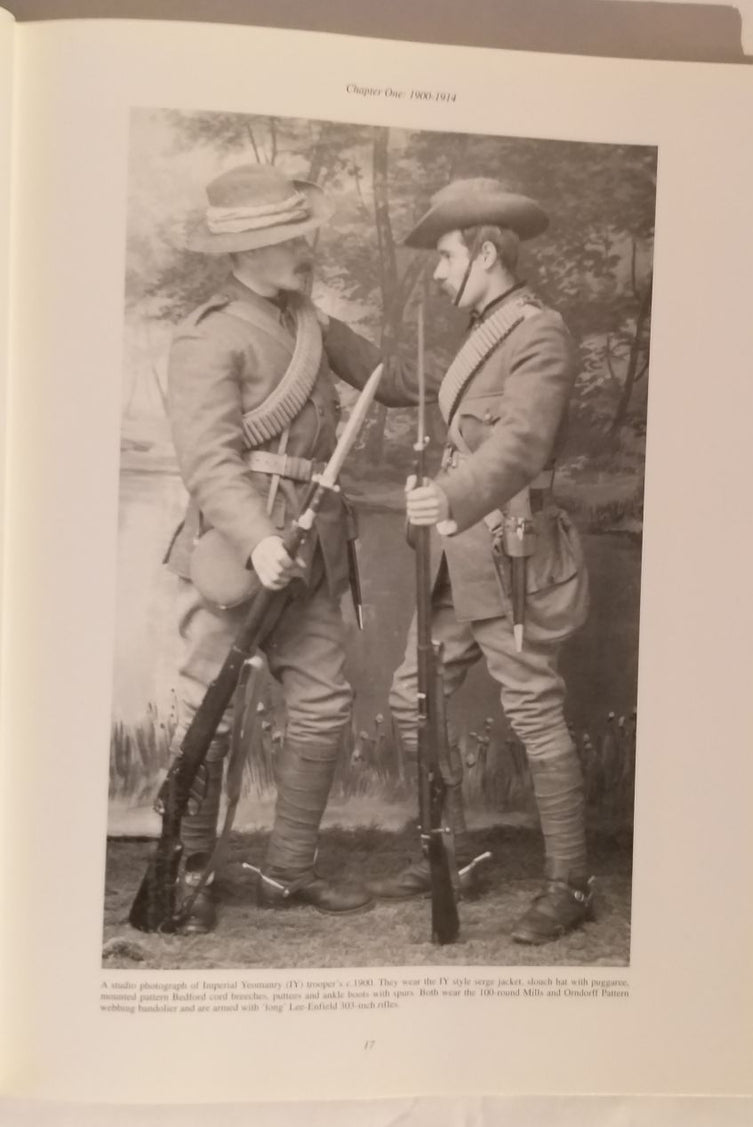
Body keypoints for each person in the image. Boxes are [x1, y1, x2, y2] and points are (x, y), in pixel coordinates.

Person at [328, 178, 593, 944]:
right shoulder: (486, 330)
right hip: (458, 562)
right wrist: (323, 327)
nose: (439, 273)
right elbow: (423, 394)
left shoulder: (538, 332)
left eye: (446, 257)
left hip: (511, 556)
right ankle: (455, 848)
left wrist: (445, 493)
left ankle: (570, 882)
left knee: (534, 712)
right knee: (416, 699)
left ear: (484, 253)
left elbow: (520, 445)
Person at [163, 163, 380, 932]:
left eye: (301, 232)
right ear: (243, 253)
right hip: (236, 552)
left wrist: (489, 351)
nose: (304, 248)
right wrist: (257, 541)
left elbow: (395, 377)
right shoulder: (210, 336)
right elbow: (210, 461)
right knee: (210, 712)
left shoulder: (310, 323)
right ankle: (186, 870)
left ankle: (288, 871)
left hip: (311, 551)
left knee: (323, 705)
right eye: (286, 238)